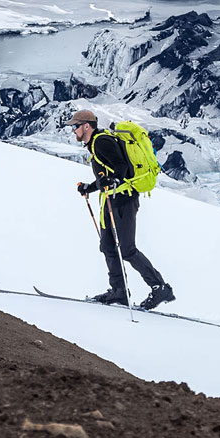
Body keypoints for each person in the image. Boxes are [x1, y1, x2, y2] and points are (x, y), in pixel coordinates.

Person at [66, 109, 175, 310]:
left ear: (86, 126)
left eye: (75, 126)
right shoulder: (95, 144)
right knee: (107, 246)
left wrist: (113, 180)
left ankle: (160, 287)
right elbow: (106, 175)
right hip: (111, 200)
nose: (73, 131)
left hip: (123, 200)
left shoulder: (101, 142)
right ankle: (119, 291)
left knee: (127, 249)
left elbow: (121, 167)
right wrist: (89, 188)